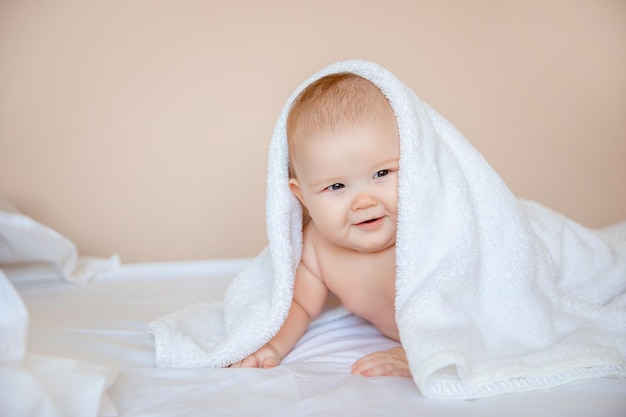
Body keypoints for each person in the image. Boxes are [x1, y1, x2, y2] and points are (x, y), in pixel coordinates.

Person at [231, 72, 410, 377]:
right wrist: (272, 345)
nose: (364, 202)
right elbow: (299, 304)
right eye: (337, 186)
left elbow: (475, 306)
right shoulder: (317, 246)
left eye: (382, 174)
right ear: (302, 197)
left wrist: (419, 352)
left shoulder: (429, 230)